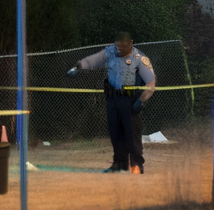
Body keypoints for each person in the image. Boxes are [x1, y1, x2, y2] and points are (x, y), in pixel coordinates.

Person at [67, 32, 156, 174]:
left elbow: (151, 83)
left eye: (123, 47)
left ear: (131, 43)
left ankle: (136, 164)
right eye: (118, 46)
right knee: (116, 133)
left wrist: (140, 102)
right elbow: (93, 60)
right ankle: (119, 164)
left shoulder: (139, 58)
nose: (119, 49)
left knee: (131, 133)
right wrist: (78, 66)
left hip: (129, 101)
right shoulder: (110, 52)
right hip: (113, 99)